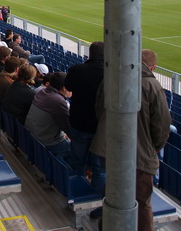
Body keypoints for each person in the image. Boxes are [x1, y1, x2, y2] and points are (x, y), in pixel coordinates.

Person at [90, 49, 171, 230]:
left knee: (112, 191)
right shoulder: (152, 85)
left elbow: (98, 108)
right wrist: (154, 147)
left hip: (107, 148)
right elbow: (162, 124)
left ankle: (108, 224)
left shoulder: (111, 78)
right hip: (138, 156)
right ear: (153, 67)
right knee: (141, 202)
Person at [64, 41, 105, 192]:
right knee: (98, 167)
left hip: (79, 122)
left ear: (90, 54)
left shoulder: (77, 70)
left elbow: (68, 87)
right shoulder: (111, 73)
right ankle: (96, 198)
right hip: (100, 128)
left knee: (77, 162)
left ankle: (76, 193)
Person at [25, 72, 72, 159]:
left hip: (33, 138)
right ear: (64, 88)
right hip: (48, 143)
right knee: (82, 149)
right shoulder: (58, 101)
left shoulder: (41, 91)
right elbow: (68, 128)